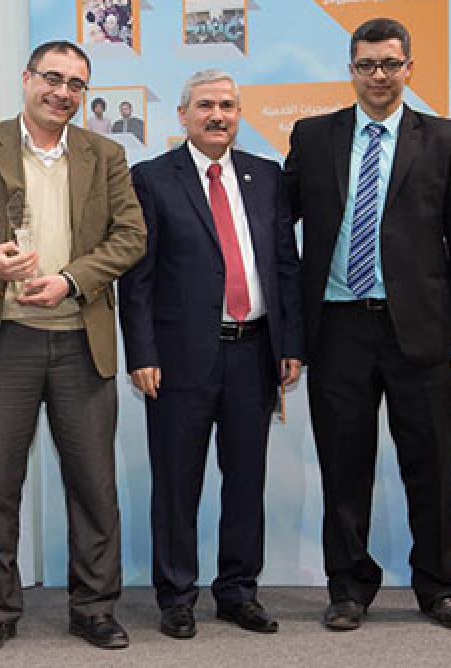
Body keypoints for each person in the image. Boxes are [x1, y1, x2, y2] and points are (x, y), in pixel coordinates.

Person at [0, 40, 146, 654]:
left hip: (81, 341)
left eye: (76, 84)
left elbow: (131, 237)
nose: (62, 92)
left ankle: (94, 608)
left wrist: (71, 279)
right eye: (52, 78)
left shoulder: (105, 153)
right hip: (3, 341)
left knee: (94, 486)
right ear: (26, 79)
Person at [282, 17, 451, 632]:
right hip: (337, 327)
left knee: (432, 464)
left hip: (423, 331)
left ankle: (440, 587)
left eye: (390, 64)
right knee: (343, 466)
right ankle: (348, 588)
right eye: (368, 64)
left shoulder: (447, 139)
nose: (379, 75)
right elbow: (275, 222)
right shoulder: (314, 137)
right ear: (351, 69)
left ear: (408, 68)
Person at [119, 69, 303, 640]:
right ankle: (177, 595)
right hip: (178, 360)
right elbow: (137, 277)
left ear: (239, 114)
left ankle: (238, 592)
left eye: (227, 105)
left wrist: (290, 345)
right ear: (183, 114)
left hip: (254, 352)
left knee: (246, 481)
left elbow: (285, 265)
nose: (217, 115)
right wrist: (141, 353)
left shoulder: (265, 176)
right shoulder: (152, 178)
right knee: (178, 483)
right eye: (205, 105)